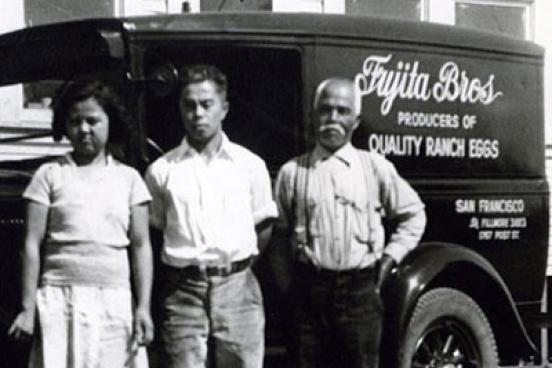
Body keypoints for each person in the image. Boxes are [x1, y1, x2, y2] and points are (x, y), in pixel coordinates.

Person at [272, 77, 426, 368]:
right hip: (309, 293)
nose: (332, 118)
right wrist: (288, 288)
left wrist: (390, 258)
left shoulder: (374, 167)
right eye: (325, 110)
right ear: (313, 115)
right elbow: (279, 235)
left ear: (356, 121)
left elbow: (414, 214)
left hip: (360, 294)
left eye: (342, 111)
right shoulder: (293, 172)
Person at [8, 80, 154, 368]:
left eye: (93, 120)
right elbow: (31, 244)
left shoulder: (129, 179)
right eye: (75, 121)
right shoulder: (49, 175)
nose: (84, 129)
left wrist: (143, 307)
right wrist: (28, 308)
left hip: (114, 301)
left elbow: (141, 246)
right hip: (60, 300)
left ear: (111, 122)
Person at [145, 64, 277, 368]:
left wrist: (235, 266)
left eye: (206, 104)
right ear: (180, 109)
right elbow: (154, 231)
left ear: (224, 108)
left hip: (238, 290)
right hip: (182, 295)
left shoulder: (249, 166)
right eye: (189, 105)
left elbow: (264, 227)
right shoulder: (162, 171)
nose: (198, 114)